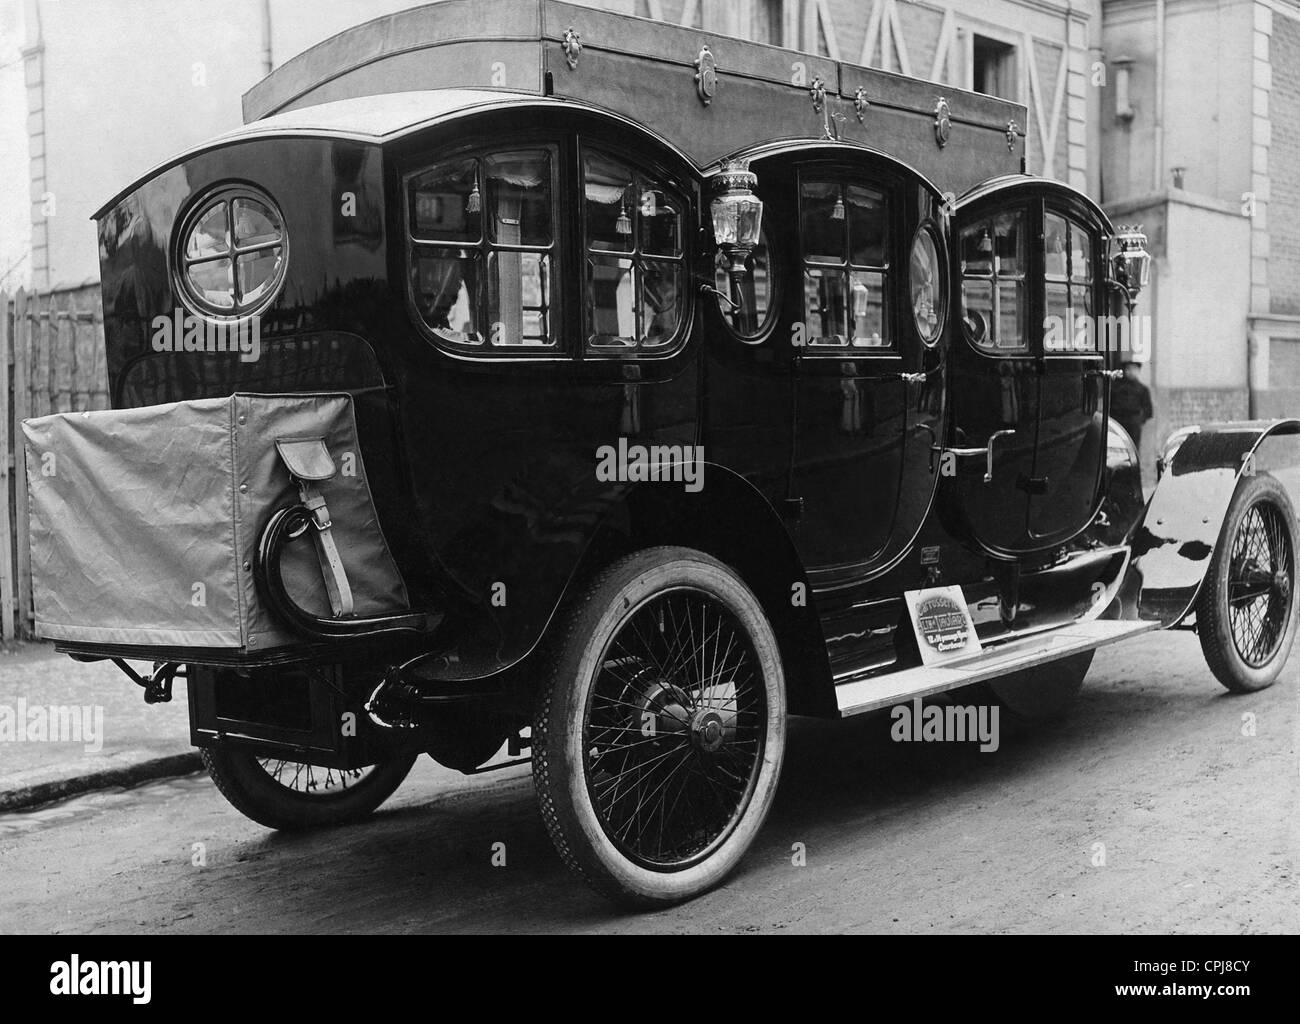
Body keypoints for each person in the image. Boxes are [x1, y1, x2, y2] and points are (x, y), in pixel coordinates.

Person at [1110, 361, 1153, 448]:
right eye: (1128, 369)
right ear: (1125, 371)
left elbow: (1148, 410)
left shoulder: (1143, 389)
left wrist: (1138, 420)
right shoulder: (1116, 388)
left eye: (1134, 369)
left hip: (1134, 425)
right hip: (1118, 423)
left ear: (1138, 371)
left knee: (1133, 448)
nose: (1131, 372)